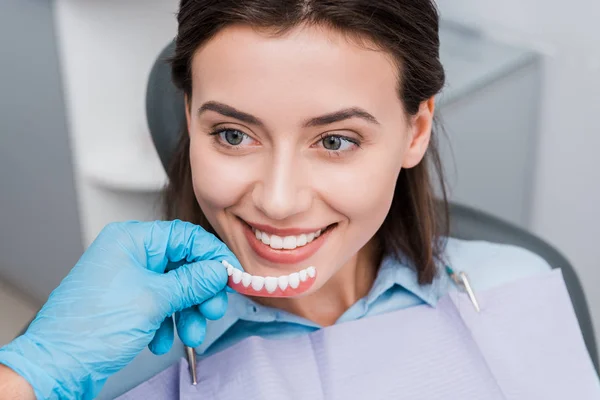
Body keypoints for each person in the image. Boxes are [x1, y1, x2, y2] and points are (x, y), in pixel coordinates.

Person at [0, 0, 554, 398]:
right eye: (233, 135)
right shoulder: (102, 363)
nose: (280, 200)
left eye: (335, 141)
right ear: (189, 117)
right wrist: (27, 376)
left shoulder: (520, 285)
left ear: (415, 131)